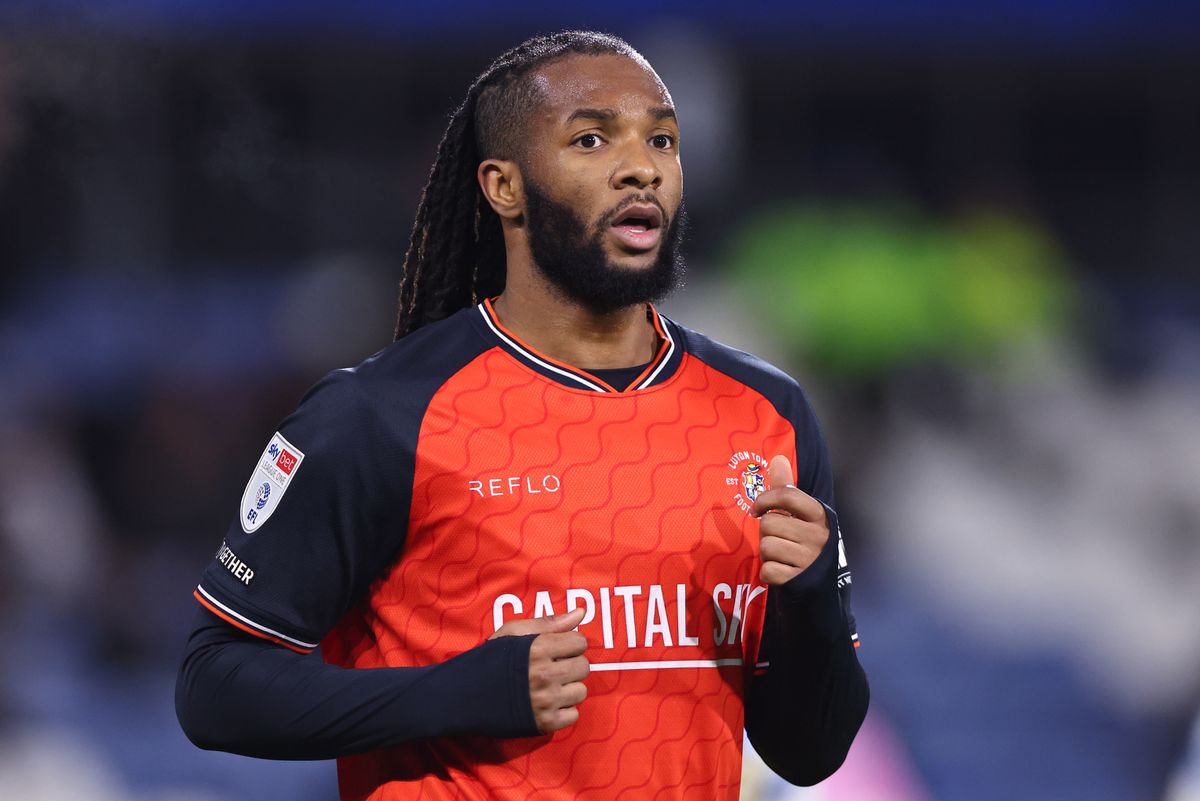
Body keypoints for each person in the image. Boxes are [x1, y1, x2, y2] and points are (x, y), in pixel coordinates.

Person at [175, 30, 869, 800]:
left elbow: (811, 752)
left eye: (662, 139)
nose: (641, 165)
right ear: (504, 187)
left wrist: (807, 599)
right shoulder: (379, 416)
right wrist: (458, 690)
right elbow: (214, 685)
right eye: (592, 137)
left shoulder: (768, 416)